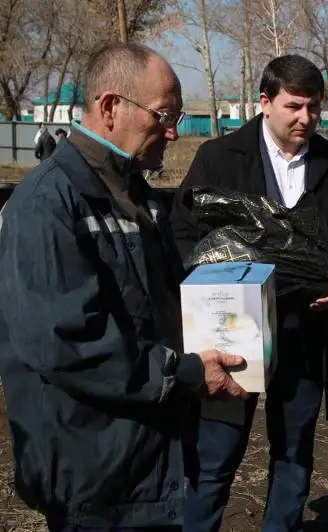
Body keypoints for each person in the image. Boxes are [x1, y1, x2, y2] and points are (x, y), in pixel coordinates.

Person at [0, 43, 248, 532]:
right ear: (111, 107)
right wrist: (186, 374)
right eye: (163, 114)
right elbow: (70, 342)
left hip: (148, 460)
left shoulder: (138, 196)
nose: (174, 132)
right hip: (94, 471)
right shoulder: (47, 205)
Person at [170, 54, 328, 532]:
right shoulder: (218, 158)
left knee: (295, 449)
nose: (306, 119)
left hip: (306, 330)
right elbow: (181, 231)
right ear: (264, 102)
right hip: (233, 333)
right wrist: (215, 286)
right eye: (294, 106)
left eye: (315, 108)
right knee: (216, 452)